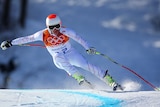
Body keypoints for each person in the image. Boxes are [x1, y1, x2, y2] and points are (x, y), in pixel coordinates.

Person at [1, 14, 123, 91]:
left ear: (60, 24)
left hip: (70, 53)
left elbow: (79, 38)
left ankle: (111, 82)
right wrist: (11, 42)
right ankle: (79, 78)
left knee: (86, 65)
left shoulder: (66, 31)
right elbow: (27, 39)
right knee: (58, 57)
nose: (55, 30)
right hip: (58, 58)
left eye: (57, 26)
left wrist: (88, 47)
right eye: (51, 27)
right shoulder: (42, 34)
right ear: (47, 27)